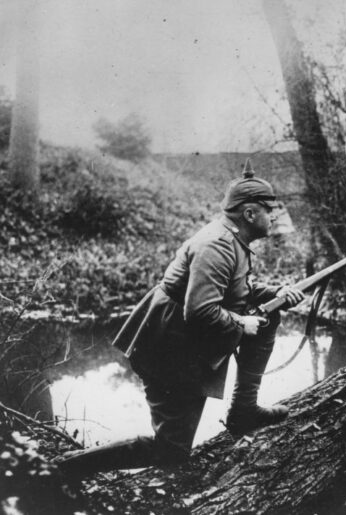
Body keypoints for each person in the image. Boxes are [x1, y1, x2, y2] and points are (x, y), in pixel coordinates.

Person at [57, 165, 305, 477]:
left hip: (184, 343)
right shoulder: (217, 245)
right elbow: (200, 309)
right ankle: (62, 468)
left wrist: (277, 292)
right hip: (167, 346)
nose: (274, 217)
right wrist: (241, 324)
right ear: (251, 213)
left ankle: (244, 411)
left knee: (269, 317)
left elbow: (234, 288)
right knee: (171, 450)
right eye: (271, 210)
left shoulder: (232, 240)